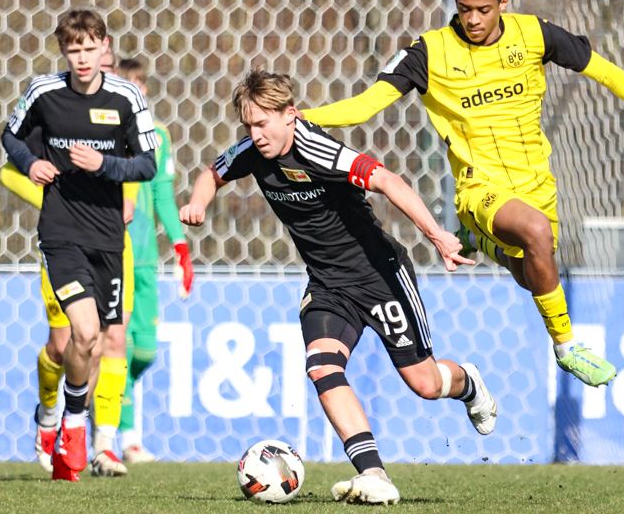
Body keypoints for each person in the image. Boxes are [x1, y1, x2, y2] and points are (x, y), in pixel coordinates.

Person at [302, 0, 624, 388]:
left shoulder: (534, 34)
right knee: (535, 231)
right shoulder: (430, 52)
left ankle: (485, 244)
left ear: (504, 2)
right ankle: (566, 345)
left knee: (530, 271)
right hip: (478, 187)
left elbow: (608, 74)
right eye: (465, 10)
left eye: (483, 10)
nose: (473, 19)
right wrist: (299, 117)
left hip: (536, 183)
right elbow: (365, 106)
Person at [180, 70, 497, 505]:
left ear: (290, 115)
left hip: (380, 277)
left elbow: (388, 181)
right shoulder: (252, 152)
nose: (256, 134)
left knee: (423, 382)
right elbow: (211, 174)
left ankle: (468, 384)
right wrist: (198, 202)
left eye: (263, 123)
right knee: (322, 367)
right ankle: (374, 475)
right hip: (328, 284)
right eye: (249, 126)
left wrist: (435, 234)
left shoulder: (319, 150)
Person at [1, 10, 157, 481]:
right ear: (63, 50)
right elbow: (10, 135)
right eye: (73, 50)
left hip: (109, 239)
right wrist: (29, 163)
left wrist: (104, 165)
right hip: (61, 233)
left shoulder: (127, 97)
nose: (82, 58)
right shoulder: (44, 93)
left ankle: (64, 422)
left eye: (90, 48)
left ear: (104, 47)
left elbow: (147, 165)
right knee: (81, 333)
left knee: (105, 341)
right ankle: (70, 423)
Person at [113, 57, 194, 464]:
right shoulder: (105, 135)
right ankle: (123, 436)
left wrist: (180, 247)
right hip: (112, 251)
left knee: (144, 349)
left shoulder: (158, 136)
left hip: (145, 256)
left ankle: (107, 407)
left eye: (141, 83)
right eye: (132, 84)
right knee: (119, 343)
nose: (140, 91)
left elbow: (163, 194)